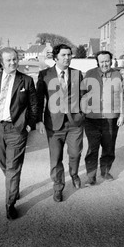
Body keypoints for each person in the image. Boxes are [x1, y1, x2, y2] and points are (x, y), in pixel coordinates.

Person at [0, 47, 38, 220]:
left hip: (16, 129)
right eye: (9, 60)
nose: (13, 63)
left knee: (13, 167)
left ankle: (10, 204)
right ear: (1, 62)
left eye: (15, 59)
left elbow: (34, 105)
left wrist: (29, 125)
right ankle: (13, 186)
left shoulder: (25, 80)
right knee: (4, 164)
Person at [36, 44, 85, 202]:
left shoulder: (77, 74)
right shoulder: (45, 75)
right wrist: (38, 120)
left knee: (75, 154)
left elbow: (84, 96)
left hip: (74, 124)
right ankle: (58, 187)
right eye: (64, 55)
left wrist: (82, 113)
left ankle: (74, 174)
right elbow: (38, 100)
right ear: (55, 57)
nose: (67, 58)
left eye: (69, 55)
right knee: (56, 158)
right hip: (54, 124)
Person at [81, 51, 124, 186]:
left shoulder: (117, 74)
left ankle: (105, 171)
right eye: (102, 61)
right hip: (92, 119)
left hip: (111, 118)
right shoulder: (89, 74)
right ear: (97, 62)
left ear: (111, 60)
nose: (105, 64)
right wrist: (83, 111)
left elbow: (122, 95)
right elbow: (82, 94)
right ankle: (91, 176)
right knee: (92, 148)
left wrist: (122, 114)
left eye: (107, 61)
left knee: (109, 147)